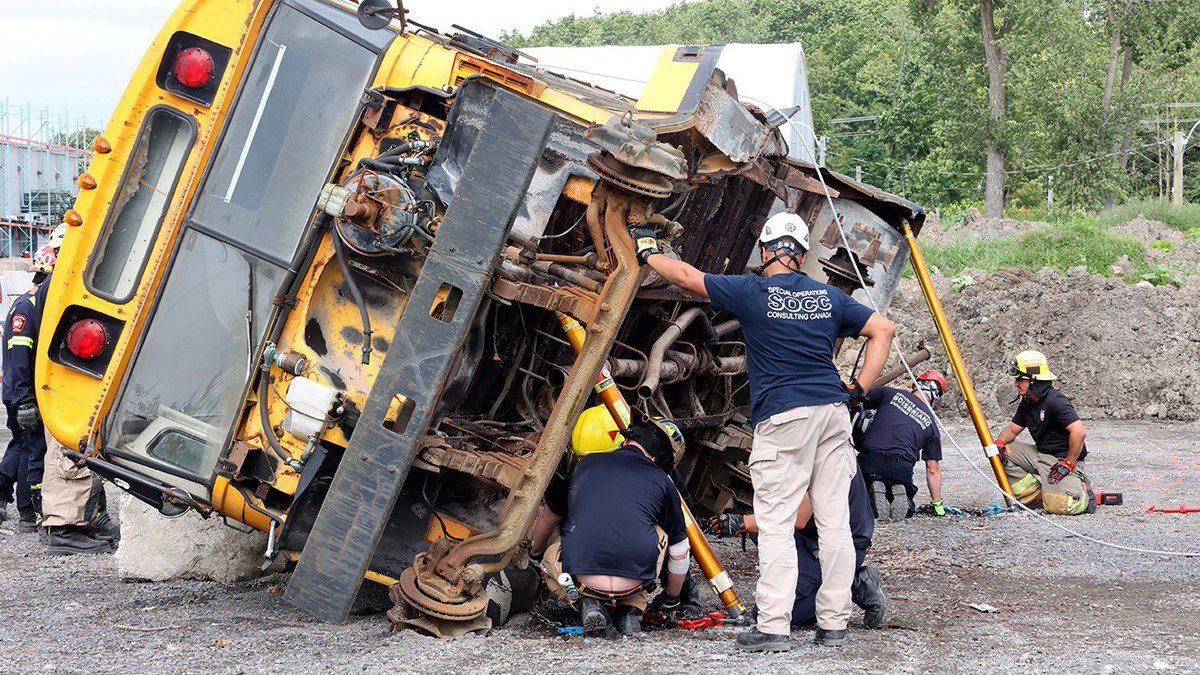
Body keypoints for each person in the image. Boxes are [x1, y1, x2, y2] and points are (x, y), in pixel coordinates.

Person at [637, 212, 894, 651]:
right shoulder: (827, 296)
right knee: (834, 523)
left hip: (785, 417)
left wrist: (646, 248)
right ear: (802, 255)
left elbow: (686, 277)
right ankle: (834, 623)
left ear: (764, 251)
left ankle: (773, 626)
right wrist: (859, 388)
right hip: (832, 413)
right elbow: (883, 329)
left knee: (775, 523)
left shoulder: (753, 291)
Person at [529, 416, 691, 638]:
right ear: (654, 458)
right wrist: (672, 599)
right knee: (662, 534)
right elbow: (680, 551)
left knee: (551, 555)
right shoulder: (662, 480)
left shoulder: (585, 465)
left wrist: (535, 554)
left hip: (585, 580)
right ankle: (632, 609)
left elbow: (550, 515)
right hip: (634, 583)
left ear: (625, 443)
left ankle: (587, 603)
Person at [707, 467, 887, 629]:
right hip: (814, 534)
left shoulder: (812, 446)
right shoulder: (816, 438)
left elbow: (799, 518)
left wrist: (743, 522)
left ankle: (852, 584)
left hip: (838, 543)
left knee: (772, 612)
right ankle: (824, 578)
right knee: (759, 530)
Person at [993, 350, 1095, 515]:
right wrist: (998, 444)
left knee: (1061, 506)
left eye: (1020, 379)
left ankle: (1085, 496)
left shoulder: (1056, 401)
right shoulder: (1028, 402)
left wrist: (1068, 463)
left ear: (1033, 380)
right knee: (998, 453)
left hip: (1060, 461)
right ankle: (1034, 497)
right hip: (1040, 454)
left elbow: (1079, 432)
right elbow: (1012, 429)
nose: (1016, 384)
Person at [0, 248, 56, 532]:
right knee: (31, 448)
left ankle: (5, 497)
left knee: (22, 445)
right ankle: (28, 511)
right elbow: (20, 361)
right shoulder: (27, 309)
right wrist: (24, 401)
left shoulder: (38, 306)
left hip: (24, 390)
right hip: (20, 392)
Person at [854, 371, 947, 521]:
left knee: (858, 496)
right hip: (901, 468)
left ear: (917, 384)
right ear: (935, 397)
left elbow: (859, 398)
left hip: (870, 460)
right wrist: (938, 505)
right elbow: (933, 469)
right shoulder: (931, 425)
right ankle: (904, 500)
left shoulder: (891, 394)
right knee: (904, 495)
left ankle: (872, 493)